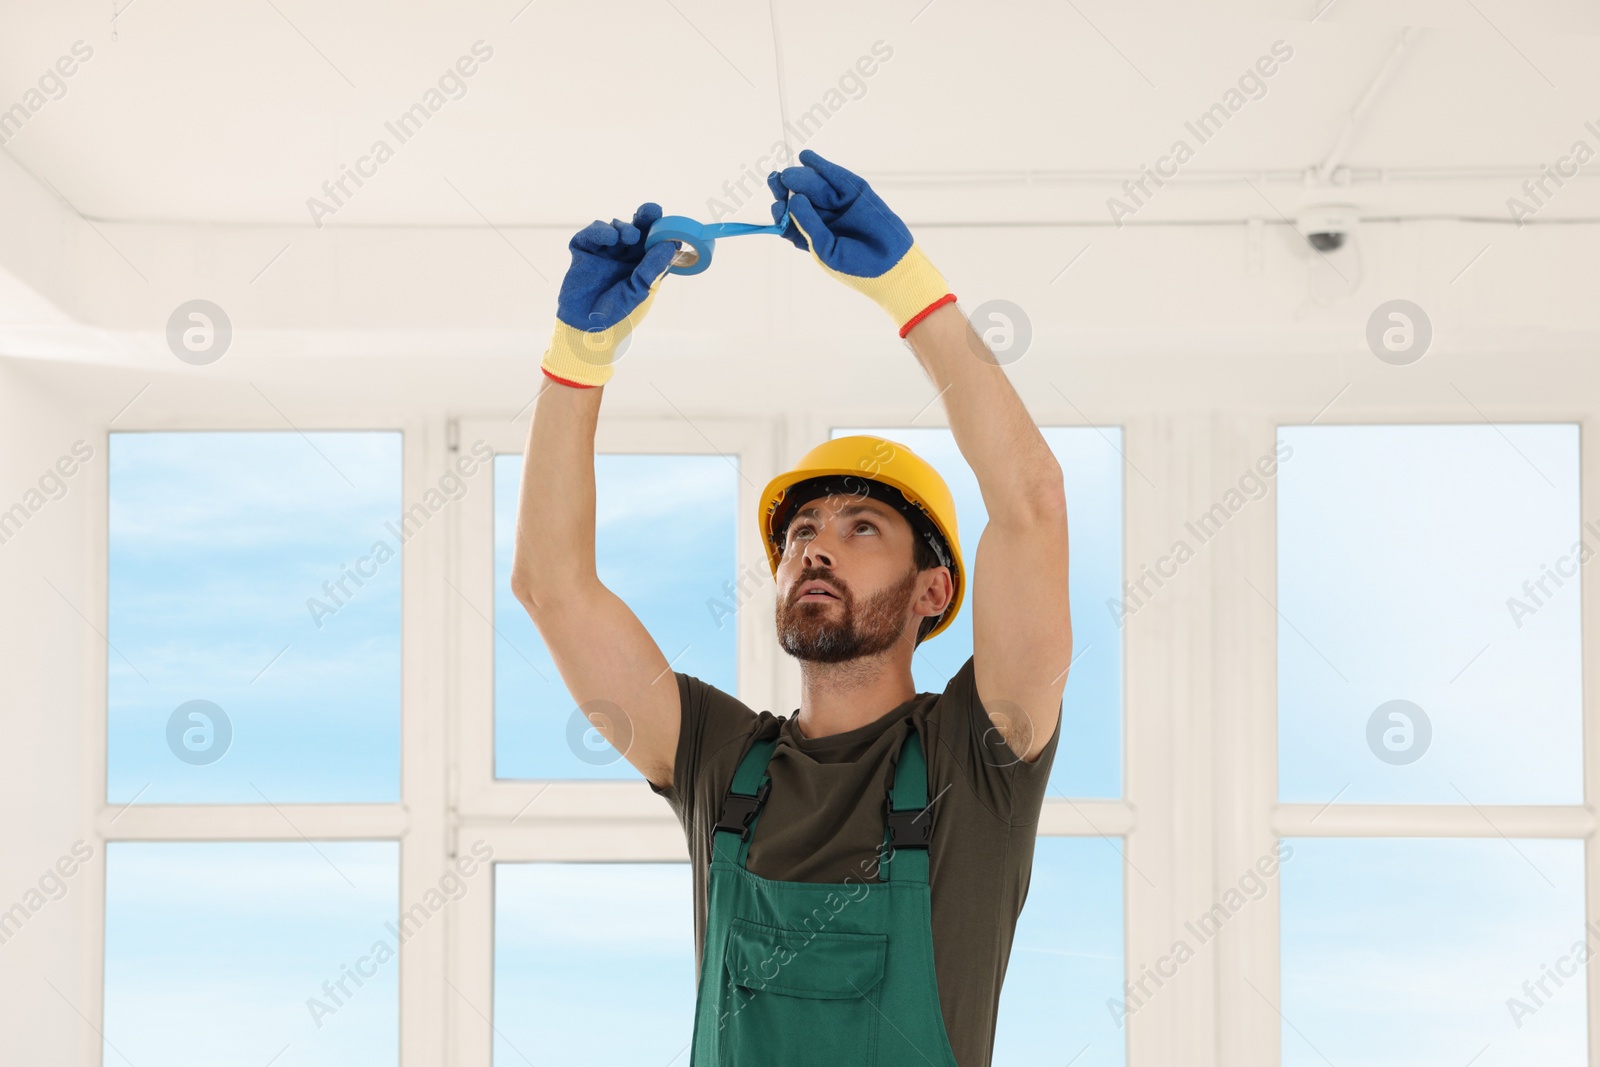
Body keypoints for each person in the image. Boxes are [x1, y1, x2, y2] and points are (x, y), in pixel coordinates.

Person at [510, 149, 1072, 1067]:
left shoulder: (980, 755)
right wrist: (578, 359)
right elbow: (551, 586)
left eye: (861, 527)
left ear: (935, 590)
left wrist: (909, 291)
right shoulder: (720, 763)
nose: (814, 543)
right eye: (802, 527)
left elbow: (1032, 503)